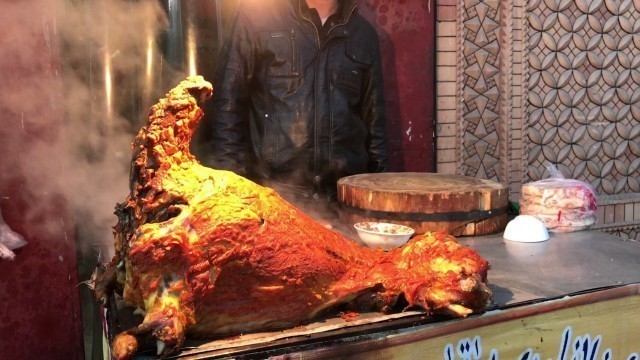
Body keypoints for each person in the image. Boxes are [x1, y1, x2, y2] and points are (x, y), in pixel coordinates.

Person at [207, 0, 388, 206]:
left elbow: (375, 128)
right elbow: (227, 110)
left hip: (343, 200)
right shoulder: (256, 17)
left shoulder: (364, 35)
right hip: (272, 197)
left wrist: (380, 204)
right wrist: (230, 196)